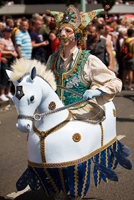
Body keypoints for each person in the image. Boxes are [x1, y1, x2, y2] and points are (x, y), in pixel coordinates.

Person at [46, 5, 122, 121]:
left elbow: (116, 83)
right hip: (54, 112)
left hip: (80, 113)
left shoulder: (88, 60)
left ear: (77, 35)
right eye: (60, 30)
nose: (62, 34)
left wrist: (97, 91)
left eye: (68, 31)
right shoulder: (52, 59)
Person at [0, 26, 18, 101]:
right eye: (8, 32)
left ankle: (8, 92)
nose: (10, 33)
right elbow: (1, 51)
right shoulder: (2, 40)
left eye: (10, 32)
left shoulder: (10, 39)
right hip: (5, 60)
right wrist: (10, 52)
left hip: (11, 60)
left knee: (11, 77)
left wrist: (14, 52)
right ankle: (2, 93)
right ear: (4, 33)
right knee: (5, 76)